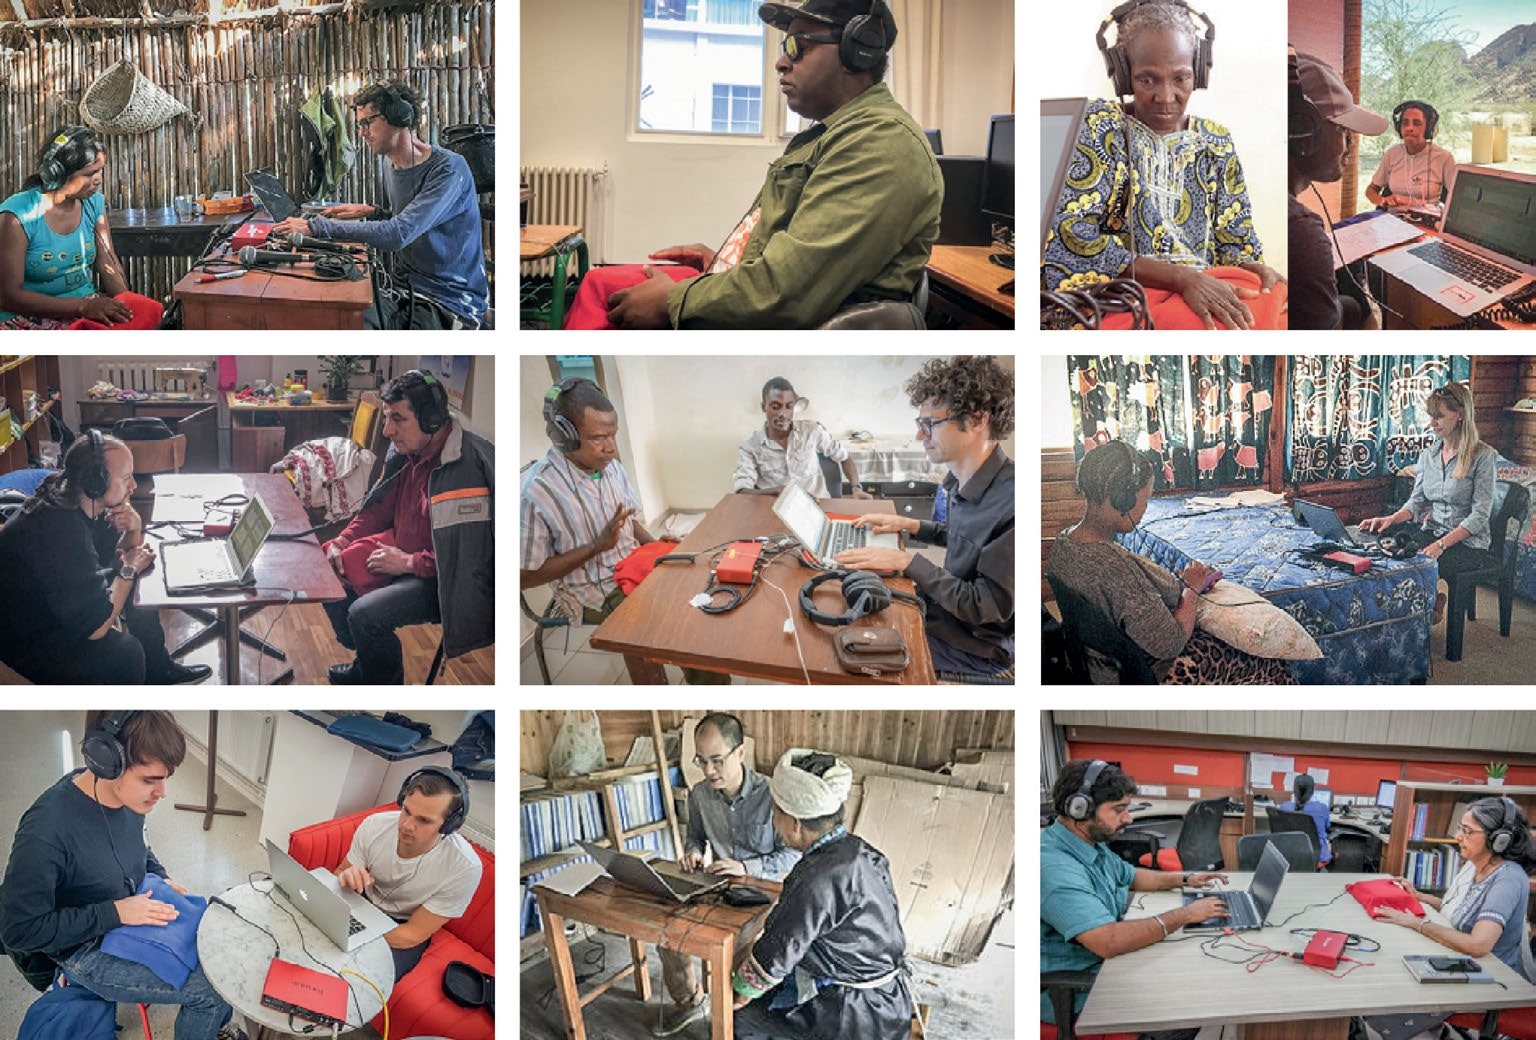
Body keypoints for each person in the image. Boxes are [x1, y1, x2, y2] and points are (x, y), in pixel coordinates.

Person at [565, 0, 941, 330]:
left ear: (857, 52)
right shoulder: (837, 134)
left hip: (784, 328)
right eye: (783, 47)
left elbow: (788, 294)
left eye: (797, 46)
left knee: (603, 300)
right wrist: (727, 262)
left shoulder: (878, 143)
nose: (781, 62)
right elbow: (796, 261)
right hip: (765, 305)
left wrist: (674, 301)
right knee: (600, 282)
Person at [1042, 1, 1286, 330]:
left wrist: (1252, 268)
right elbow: (1072, 236)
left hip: (1204, 288)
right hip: (1123, 296)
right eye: (1147, 80)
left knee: (1273, 303)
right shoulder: (1099, 126)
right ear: (1124, 75)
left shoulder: (1216, 141)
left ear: (1198, 73)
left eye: (1181, 78)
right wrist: (1181, 279)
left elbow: (1236, 243)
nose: (1166, 96)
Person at [0, 711, 244, 1040]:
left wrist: (158, 875)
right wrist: (115, 912)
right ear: (106, 762)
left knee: (221, 952)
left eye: (164, 779)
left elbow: (140, 847)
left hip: (132, 906)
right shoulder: (45, 832)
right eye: (150, 780)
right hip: (85, 948)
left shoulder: (127, 799)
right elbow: (19, 931)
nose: (162, 792)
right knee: (210, 993)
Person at [519, 376, 727, 684]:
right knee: (678, 619)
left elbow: (627, 520)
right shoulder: (536, 493)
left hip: (633, 563)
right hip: (592, 590)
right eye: (598, 438)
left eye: (613, 435)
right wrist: (596, 547)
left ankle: (712, 688)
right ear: (565, 436)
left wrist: (657, 549)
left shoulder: (611, 467)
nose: (611, 448)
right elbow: (524, 577)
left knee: (704, 585)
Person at [1045, 439, 1298, 683]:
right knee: (1266, 661)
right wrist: (1192, 589)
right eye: (1144, 500)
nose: (1144, 509)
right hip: (1129, 675)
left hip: (1089, 664)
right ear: (1123, 500)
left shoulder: (1063, 543)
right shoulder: (1115, 568)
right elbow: (1170, 643)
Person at [836, 356, 1014, 677]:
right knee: (849, 599)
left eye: (930, 424)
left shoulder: (1013, 503)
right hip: (945, 611)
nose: (920, 436)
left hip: (976, 645)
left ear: (977, 420)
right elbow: (963, 538)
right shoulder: (961, 478)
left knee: (850, 652)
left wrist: (908, 562)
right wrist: (910, 525)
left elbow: (984, 606)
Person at [321, 370, 494, 684]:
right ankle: (369, 659)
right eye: (387, 417)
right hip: (402, 554)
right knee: (325, 564)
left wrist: (409, 563)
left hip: (444, 582)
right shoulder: (407, 452)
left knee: (365, 615)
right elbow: (378, 510)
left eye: (398, 419)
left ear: (431, 420)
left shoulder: (466, 469)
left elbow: (468, 560)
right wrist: (342, 540)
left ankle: (382, 687)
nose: (387, 430)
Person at [271, 82, 488, 329]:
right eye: (359, 124)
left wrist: (316, 227)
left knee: (353, 326)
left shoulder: (448, 168)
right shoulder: (390, 163)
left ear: (400, 117)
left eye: (368, 122)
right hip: (404, 287)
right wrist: (374, 212)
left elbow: (399, 233)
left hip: (449, 300)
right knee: (335, 312)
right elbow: (414, 221)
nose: (361, 133)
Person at [1041, 759, 1230, 1040]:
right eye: (1119, 810)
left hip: (1103, 965)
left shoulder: (1088, 844)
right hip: (1077, 990)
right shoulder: (1054, 867)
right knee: (1186, 1010)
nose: (1128, 818)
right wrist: (1185, 914)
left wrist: (1186, 879)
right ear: (1079, 809)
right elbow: (1108, 941)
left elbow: (1132, 876)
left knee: (1189, 972)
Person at [0, 433, 209, 684]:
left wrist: (133, 528)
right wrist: (129, 569)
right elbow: (95, 628)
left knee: (138, 578)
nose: (133, 485)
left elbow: (116, 559)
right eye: (126, 477)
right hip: (27, 636)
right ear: (96, 482)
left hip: (56, 606)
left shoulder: (84, 501)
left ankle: (158, 671)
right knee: (124, 654)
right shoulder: (59, 527)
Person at [732, 749, 911, 1040]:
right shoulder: (861, 851)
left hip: (852, 1017)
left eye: (775, 813)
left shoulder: (814, 877)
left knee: (741, 1020)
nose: (774, 823)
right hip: (889, 1002)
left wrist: (740, 991)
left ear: (795, 823)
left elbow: (779, 949)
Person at [653, 713, 799, 1036]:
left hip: (765, 894)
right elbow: (695, 837)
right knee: (668, 938)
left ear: (741, 752)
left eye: (717, 760)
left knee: (736, 952)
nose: (708, 771)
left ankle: (734, 1017)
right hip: (721, 889)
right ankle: (691, 1002)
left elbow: (792, 855)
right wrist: (692, 852)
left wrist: (747, 868)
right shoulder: (700, 794)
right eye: (701, 760)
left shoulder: (772, 795)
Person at [1363, 797, 1536, 1039]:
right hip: (1461, 960)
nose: (1458, 836)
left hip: (1490, 976)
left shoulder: (1507, 879)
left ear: (1499, 840)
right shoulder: (1476, 865)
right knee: (1386, 967)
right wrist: (1419, 896)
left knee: (1390, 992)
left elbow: (1478, 945)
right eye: (1460, 828)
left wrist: (1417, 924)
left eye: (1467, 831)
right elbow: (1457, 911)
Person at [1358, 382, 1495, 628]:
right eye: (1431, 416)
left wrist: (1441, 545)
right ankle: (1419, 609)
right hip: (1433, 532)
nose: (1432, 423)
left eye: (1439, 416)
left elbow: (1480, 516)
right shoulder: (1429, 455)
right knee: (1392, 556)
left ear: (1460, 414)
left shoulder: (1483, 457)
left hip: (1468, 545)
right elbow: (1417, 501)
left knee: (1420, 565)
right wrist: (1390, 519)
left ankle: (1424, 609)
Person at [0, 126, 163, 330]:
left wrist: (126, 304)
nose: (98, 180)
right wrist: (82, 306)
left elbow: (108, 262)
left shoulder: (93, 204)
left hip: (86, 307)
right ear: (57, 174)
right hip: (28, 316)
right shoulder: (17, 215)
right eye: (89, 173)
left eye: (100, 170)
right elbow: (8, 297)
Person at [333, 767, 483, 981]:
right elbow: (340, 872)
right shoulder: (374, 825)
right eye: (406, 810)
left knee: (359, 980)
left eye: (424, 820)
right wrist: (346, 877)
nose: (406, 825)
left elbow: (412, 934)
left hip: (402, 926)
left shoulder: (464, 867)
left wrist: (354, 933)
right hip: (362, 901)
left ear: (449, 825)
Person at [1287, 49, 1389, 331]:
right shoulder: (1300, 232)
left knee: (1351, 297)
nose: (1351, 143)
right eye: (1343, 130)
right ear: (1303, 130)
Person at [733, 377, 872, 501]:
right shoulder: (750, 445)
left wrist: (856, 488)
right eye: (776, 407)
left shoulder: (812, 431)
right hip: (775, 510)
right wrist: (776, 491)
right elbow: (742, 490)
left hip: (818, 506)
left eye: (789, 406)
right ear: (764, 407)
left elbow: (845, 457)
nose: (783, 414)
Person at [1365, 101, 1456, 210]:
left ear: (1428, 129)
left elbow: (1458, 198)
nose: (1409, 128)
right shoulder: (1392, 154)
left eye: (1417, 123)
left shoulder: (1444, 158)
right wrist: (1382, 201)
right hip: (1393, 216)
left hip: (1428, 217)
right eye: (1405, 123)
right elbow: (1371, 190)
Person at [1277, 773, 1332, 867]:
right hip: (1317, 857)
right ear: (1312, 791)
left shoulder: (1284, 807)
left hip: (1290, 855)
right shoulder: (1322, 808)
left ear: (1294, 790)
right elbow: (1327, 827)